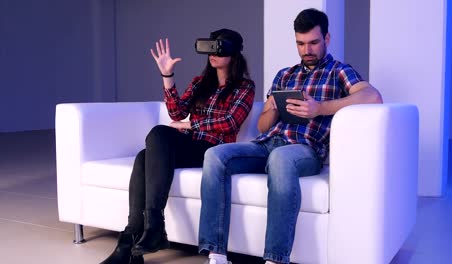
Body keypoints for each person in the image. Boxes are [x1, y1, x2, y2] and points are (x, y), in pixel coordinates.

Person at [198, 8, 382, 264]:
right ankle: (216, 254)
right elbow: (263, 127)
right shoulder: (284, 75)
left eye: (314, 43)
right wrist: (272, 108)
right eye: (301, 43)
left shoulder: (339, 71)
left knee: (281, 159)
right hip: (267, 144)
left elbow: (373, 97)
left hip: (305, 149)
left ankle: (275, 259)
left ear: (327, 39)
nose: (307, 50)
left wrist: (319, 108)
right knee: (215, 155)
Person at [99, 28, 255, 264]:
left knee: (159, 134)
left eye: (218, 48)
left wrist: (191, 124)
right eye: (209, 47)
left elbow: (230, 121)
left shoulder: (245, 87)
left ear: (233, 55)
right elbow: (176, 112)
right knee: (144, 155)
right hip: (191, 145)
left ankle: (149, 232)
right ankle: (133, 241)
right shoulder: (200, 82)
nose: (212, 53)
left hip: (213, 151)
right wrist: (167, 76)